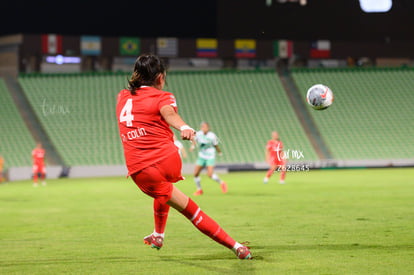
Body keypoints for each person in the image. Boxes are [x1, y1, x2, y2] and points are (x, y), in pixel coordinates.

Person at [116, 54, 251, 260]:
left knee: (191, 211)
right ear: (160, 78)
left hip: (143, 170)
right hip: (170, 158)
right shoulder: (163, 96)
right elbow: (169, 114)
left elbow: (165, 114)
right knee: (165, 192)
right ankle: (158, 235)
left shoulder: (121, 97)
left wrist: (182, 126)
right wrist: (185, 127)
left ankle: (237, 247)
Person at [189, 122, 227, 196]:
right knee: (196, 173)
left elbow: (216, 145)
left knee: (210, 174)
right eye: (203, 127)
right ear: (201, 128)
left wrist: (219, 152)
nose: (204, 128)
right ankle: (199, 190)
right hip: (202, 156)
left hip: (210, 156)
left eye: (206, 127)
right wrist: (193, 146)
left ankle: (222, 183)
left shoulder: (212, 136)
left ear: (208, 128)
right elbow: (194, 140)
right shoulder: (198, 134)